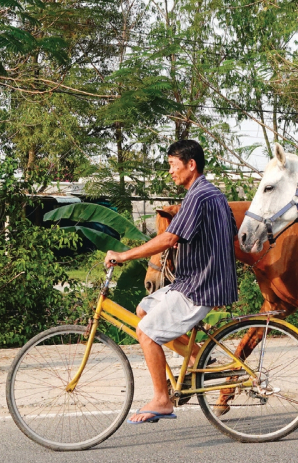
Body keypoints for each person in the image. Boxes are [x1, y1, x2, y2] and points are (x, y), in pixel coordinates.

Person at [105, 139, 238, 424]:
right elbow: (226, 232)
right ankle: (201, 361)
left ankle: (162, 400)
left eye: (172, 165)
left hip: (200, 286)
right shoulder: (211, 194)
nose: (170, 172)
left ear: (191, 164)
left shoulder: (198, 195)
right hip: (197, 280)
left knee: (146, 332)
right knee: (143, 310)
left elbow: (169, 238)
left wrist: (124, 256)